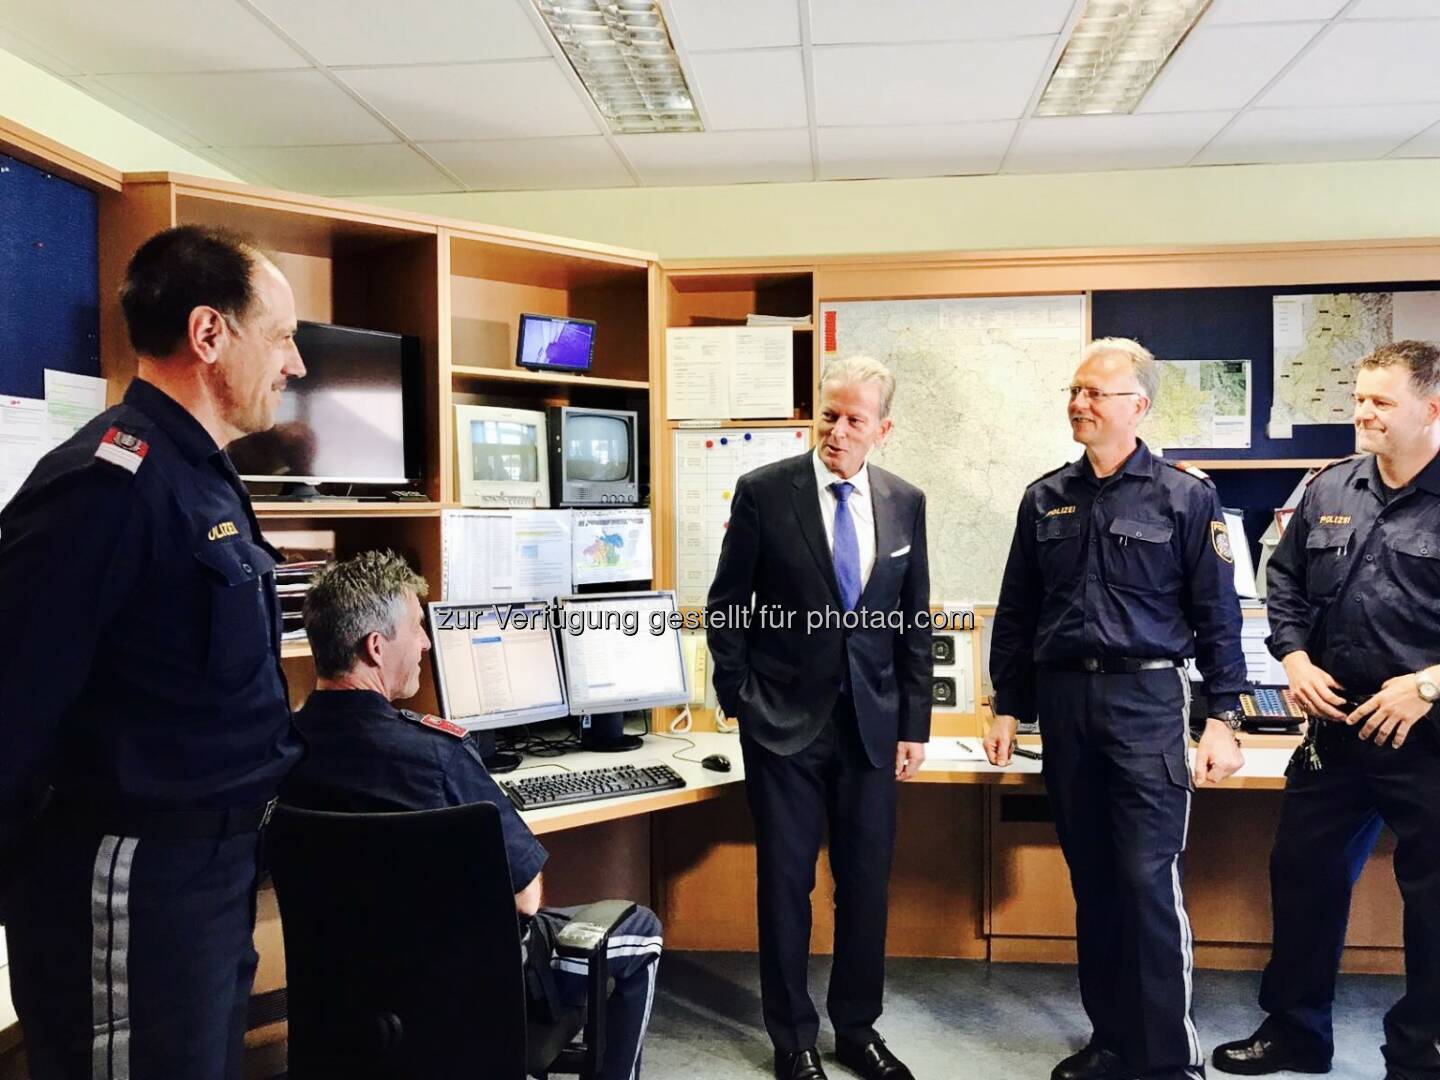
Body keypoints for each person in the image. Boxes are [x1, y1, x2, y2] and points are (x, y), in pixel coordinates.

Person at [0, 225, 307, 1079]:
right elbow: (13, 706)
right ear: (210, 334)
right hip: (129, 882)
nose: (296, 364)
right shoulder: (105, 485)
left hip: (206, 879)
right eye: (281, 336)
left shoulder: (199, 471)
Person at [282, 551, 662, 1080]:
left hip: (341, 996)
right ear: (375, 647)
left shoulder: (281, 751)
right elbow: (526, 898)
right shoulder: (437, 755)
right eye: (417, 628)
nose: (426, 643)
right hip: (467, 1001)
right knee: (641, 930)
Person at [986, 337, 1248, 1080]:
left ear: (1139, 405)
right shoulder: (1045, 497)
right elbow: (1018, 609)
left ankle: (1168, 1061)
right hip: (1066, 703)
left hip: (1147, 701)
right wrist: (1008, 703)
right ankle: (1110, 1042)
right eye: (1074, 391)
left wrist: (1223, 717)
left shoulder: (1184, 496)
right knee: (1093, 879)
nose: (1080, 404)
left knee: (1146, 881)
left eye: (1096, 393)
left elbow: (1217, 615)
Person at [1212, 340, 1440, 1080]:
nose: (1361, 413)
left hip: (1428, 737)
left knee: (1433, 906)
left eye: (1380, 402)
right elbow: (1283, 584)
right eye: (1359, 399)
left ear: (1431, 409)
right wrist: (1295, 659)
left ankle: (1419, 1055)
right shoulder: (1330, 488)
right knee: (1302, 878)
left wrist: (1428, 684)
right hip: (1336, 735)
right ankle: (1296, 1033)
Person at [706, 355, 932, 1080]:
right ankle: (792, 1039)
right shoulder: (765, 492)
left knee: (865, 884)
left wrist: (915, 724)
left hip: (871, 725)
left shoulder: (905, 502)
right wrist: (738, 694)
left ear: (883, 429)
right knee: (786, 884)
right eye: (828, 414)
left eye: (854, 419)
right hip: (782, 723)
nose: (837, 430)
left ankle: (857, 1029)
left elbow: (913, 621)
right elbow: (728, 604)